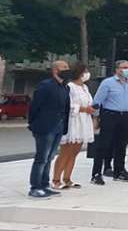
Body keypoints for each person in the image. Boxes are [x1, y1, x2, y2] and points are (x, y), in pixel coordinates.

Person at [91, 60, 128, 185]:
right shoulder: (108, 83)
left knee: (121, 145)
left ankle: (119, 171)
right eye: (124, 67)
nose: (127, 69)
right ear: (117, 69)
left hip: (125, 116)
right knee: (104, 144)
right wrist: (96, 118)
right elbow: (98, 101)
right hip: (110, 114)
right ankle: (96, 173)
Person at [28, 60, 72, 198]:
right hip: (45, 126)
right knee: (41, 158)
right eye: (64, 67)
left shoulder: (64, 87)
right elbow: (35, 106)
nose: (67, 69)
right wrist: (34, 123)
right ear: (55, 70)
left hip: (58, 126)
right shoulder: (46, 86)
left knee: (50, 157)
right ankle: (35, 187)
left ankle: (44, 185)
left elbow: (65, 108)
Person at [52, 62, 95, 189]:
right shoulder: (70, 86)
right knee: (66, 151)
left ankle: (67, 178)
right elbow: (66, 105)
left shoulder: (85, 87)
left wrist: (91, 110)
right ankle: (56, 179)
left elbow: (89, 102)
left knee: (75, 152)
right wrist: (82, 109)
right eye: (84, 71)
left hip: (84, 121)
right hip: (73, 121)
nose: (86, 74)